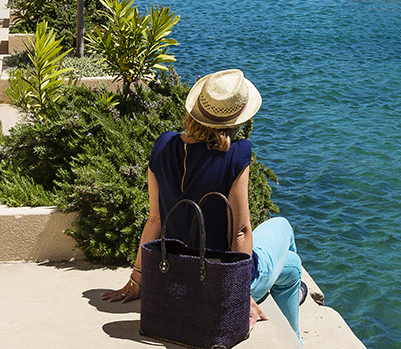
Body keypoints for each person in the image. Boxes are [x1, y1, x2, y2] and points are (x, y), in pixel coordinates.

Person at [102, 69, 306, 339]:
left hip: (174, 277)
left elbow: (155, 219)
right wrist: (239, 299)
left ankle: (296, 293)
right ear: (236, 119)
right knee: (285, 234)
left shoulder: (162, 145)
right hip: (218, 282)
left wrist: (137, 279)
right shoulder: (236, 153)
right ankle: (297, 337)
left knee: (290, 265)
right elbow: (241, 232)